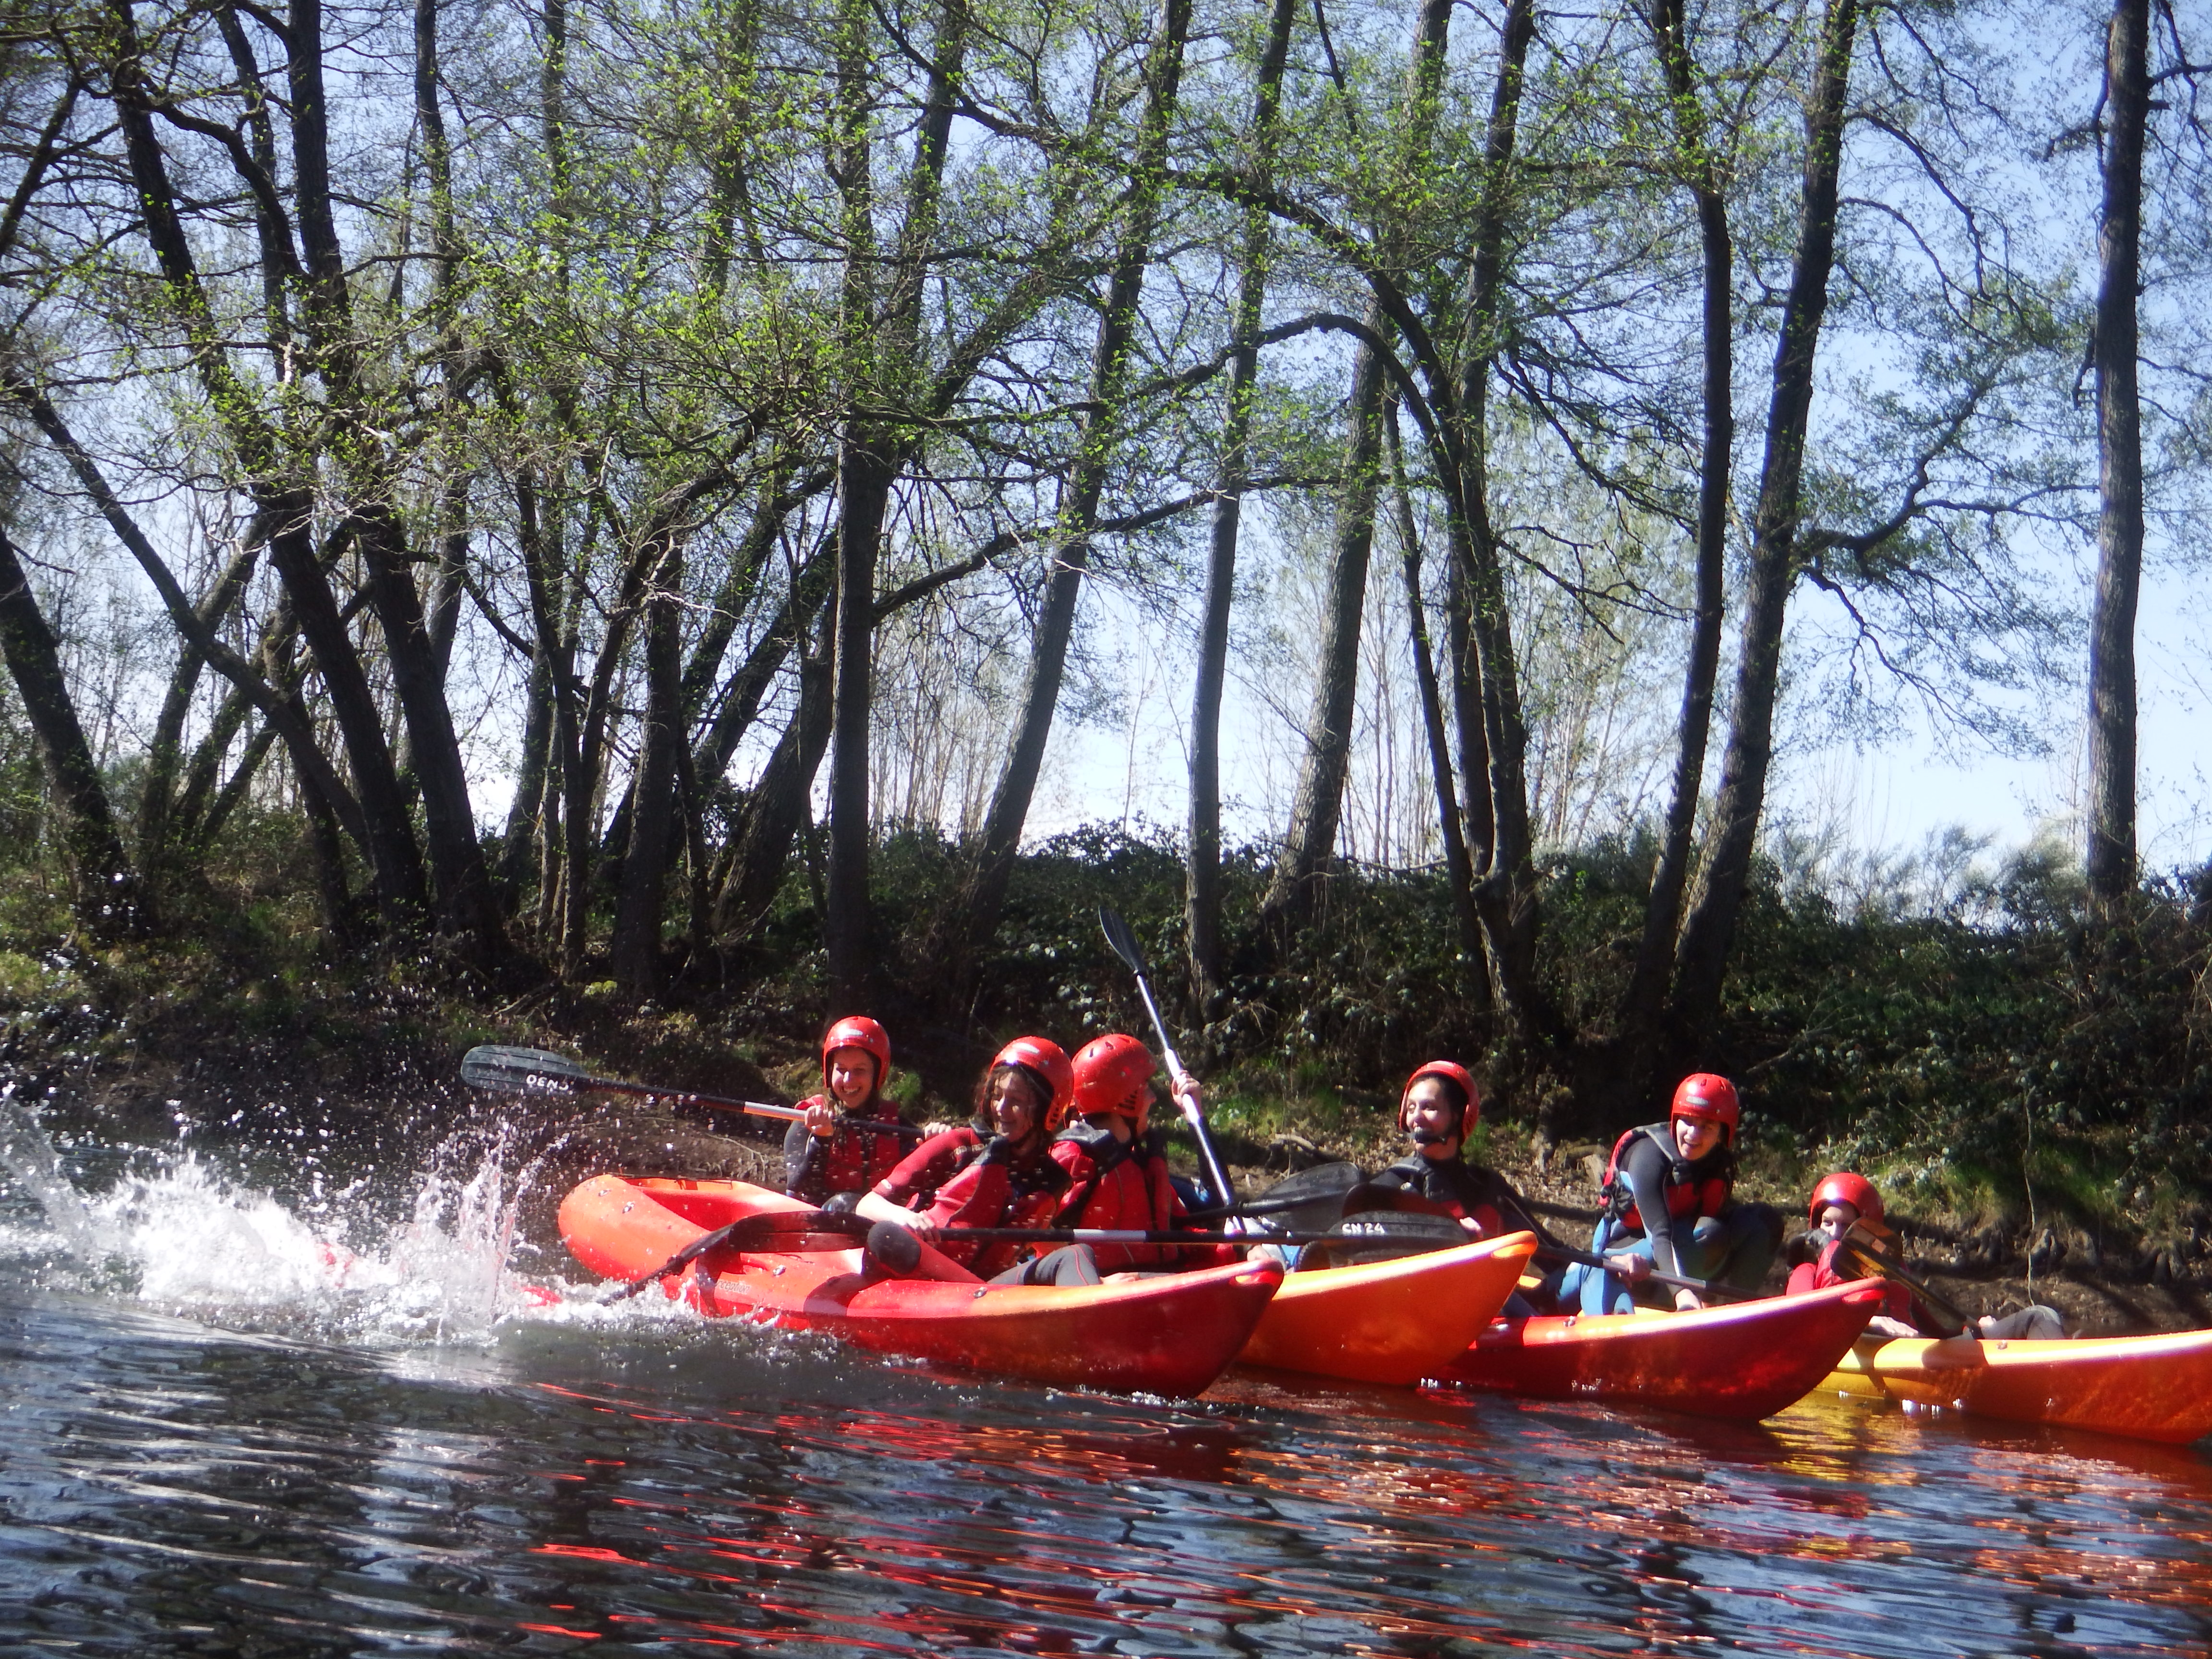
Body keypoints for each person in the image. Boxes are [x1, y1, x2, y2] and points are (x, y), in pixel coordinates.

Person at [857, 1037, 1099, 1286]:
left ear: (1048, 1111)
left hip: (987, 1294)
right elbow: (866, 1205)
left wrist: (1102, 1280)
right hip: (923, 1277)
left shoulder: (1046, 1177)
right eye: (997, 1096)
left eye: (1016, 1101)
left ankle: (1096, 1307)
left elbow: (1039, 1239)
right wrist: (900, 1216)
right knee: (886, 1236)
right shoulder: (958, 1145)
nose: (1001, 1109)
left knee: (1076, 1254)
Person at [1559, 1073, 1782, 1315]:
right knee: (1704, 1233)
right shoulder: (1649, 1156)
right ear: (1676, 1119)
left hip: (1680, 1252)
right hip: (1624, 1251)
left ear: (1723, 1133)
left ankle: (1738, 1317)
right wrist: (1683, 1295)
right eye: (1688, 1121)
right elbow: (1660, 1235)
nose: (1693, 1135)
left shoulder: (1718, 1163)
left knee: (1761, 1223)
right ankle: (1585, 1285)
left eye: (1707, 1127)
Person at [1786, 1170, 2066, 1341]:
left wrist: (1972, 1328)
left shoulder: (1892, 1273)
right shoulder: (1806, 1273)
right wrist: (1873, 1323)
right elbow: (1801, 1327)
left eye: (1847, 1225)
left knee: (2040, 1315)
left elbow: (1935, 1331)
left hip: (1914, 1350)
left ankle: (2068, 1369)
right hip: (1861, 1353)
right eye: (1828, 1223)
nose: (1836, 1233)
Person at [1362, 1060, 1549, 1314]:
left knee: (1585, 1274)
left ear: (1458, 1115)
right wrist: (1449, 1232)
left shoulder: (1487, 1186)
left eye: (1429, 1107)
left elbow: (1551, 1251)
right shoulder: (1392, 1186)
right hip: (1425, 1310)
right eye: (1411, 1108)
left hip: (1493, 1308)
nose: (1416, 1117)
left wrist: (1611, 1263)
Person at [1052, 1034, 1232, 1274]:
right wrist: (1097, 1282)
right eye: (1145, 1088)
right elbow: (1044, 1242)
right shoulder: (1074, 1158)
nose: (1153, 1097)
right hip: (1101, 1291)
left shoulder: (1140, 1162)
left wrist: (1238, 1249)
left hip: (1157, 1280)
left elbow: (1203, 1220)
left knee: (1246, 1249)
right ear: (1126, 1100)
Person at [782, 1016, 914, 1207]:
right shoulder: (806, 1123)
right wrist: (822, 1140)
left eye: (860, 1070)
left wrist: (938, 1142)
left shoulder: (899, 1129)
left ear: (878, 1074)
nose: (848, 1080)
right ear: (829, 1072)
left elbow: (925, 1185)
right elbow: (800, 1190)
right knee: (843, 1203)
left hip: (877, 1230)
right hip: (820, 1226)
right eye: (841, 1069)